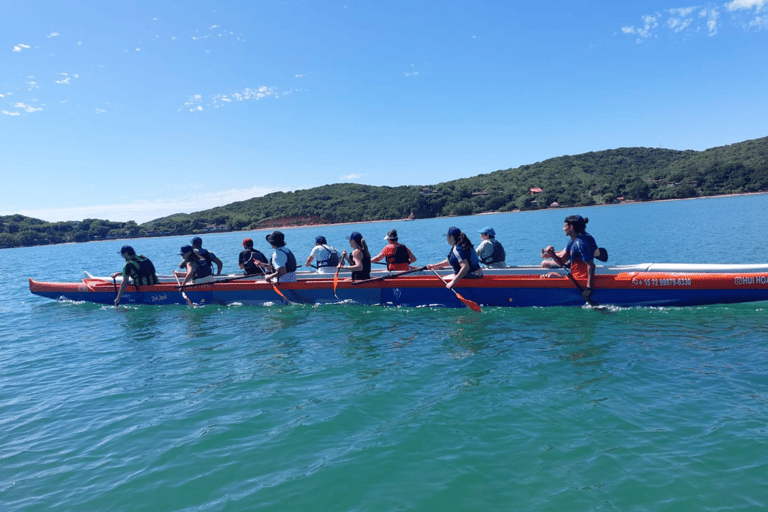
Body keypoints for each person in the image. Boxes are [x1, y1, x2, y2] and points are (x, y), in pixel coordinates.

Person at [541, 215, 597, 301]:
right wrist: (552, 254)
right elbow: (562, 261)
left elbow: (591, 265)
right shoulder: (573, 240)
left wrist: (589, 288)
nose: (563, 229)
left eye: (564, 226)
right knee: (550, 274)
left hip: (580, 281)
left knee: (547, 277)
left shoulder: (580, 243)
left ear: (571, 227)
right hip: (575, 277)